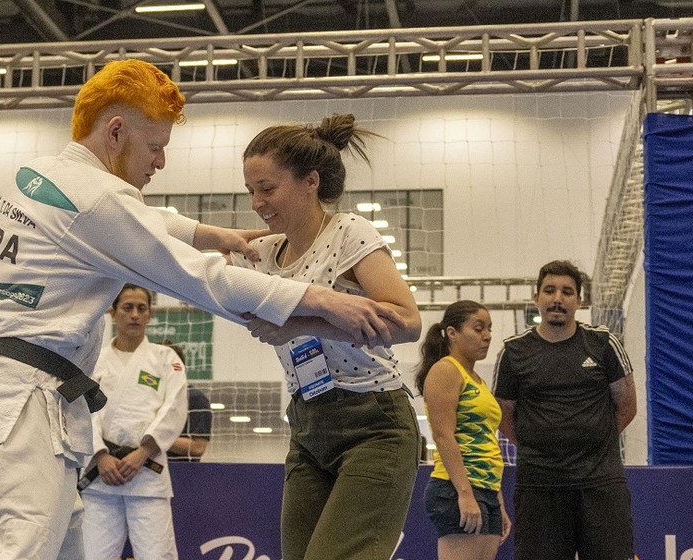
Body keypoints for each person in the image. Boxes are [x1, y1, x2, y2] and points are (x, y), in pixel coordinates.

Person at [0, 59, 407, 560]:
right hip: (22, 407)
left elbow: (135, 221)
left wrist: (210, 234)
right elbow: (194, 274)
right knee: (19, 551)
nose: (160, 162)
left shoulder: (42, 179)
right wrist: (317, 299)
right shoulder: (95, 200)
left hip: (36, 402)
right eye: (156, 146)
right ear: (116, 132)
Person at [231, 113, 422, 560]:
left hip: (374, 425)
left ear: (311, 181)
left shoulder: (349, 232)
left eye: (268, 188)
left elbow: (408, 322)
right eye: (250, 191)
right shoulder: (259, 253)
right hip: (307, 426)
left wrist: (305, 322)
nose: (257, 202)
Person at [493, 260, 637, 560]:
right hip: (539, 487)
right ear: (537, 298)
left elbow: (627, 406)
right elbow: (503, 417)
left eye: (567, 292)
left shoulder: (603, 343)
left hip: (601, 485)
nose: (557, 298)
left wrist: (593, 441)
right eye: (549, 290)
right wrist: (541, 444)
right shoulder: (513, 352)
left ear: (579, 301)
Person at [80, 285, 188, 559]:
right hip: (102, 474)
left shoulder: (166, 359)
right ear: (113, 312)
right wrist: (100, 454)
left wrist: (143, 452)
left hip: (147, 473)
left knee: (157, 555)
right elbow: (82, 409)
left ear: (150, 314)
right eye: (127, 307)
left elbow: (174, 409)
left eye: (142, 308)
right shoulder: (94, 360)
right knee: (92, 555)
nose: (135, 315)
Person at [416, 300, 510, 560]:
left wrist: (497, 499)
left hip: (485, 489)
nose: (487, 336)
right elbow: (443, 435)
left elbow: (486, 441)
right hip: (457, 488)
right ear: (452, 333)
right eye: (478, 328)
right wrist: (465, 494)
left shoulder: (476, 380)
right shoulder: (445, 370)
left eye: (489, 329)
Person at [162, 342, 212, 462]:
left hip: (182, 472)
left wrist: (155, 438)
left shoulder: (195, 398)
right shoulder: (148, 397)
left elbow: (197, 448)